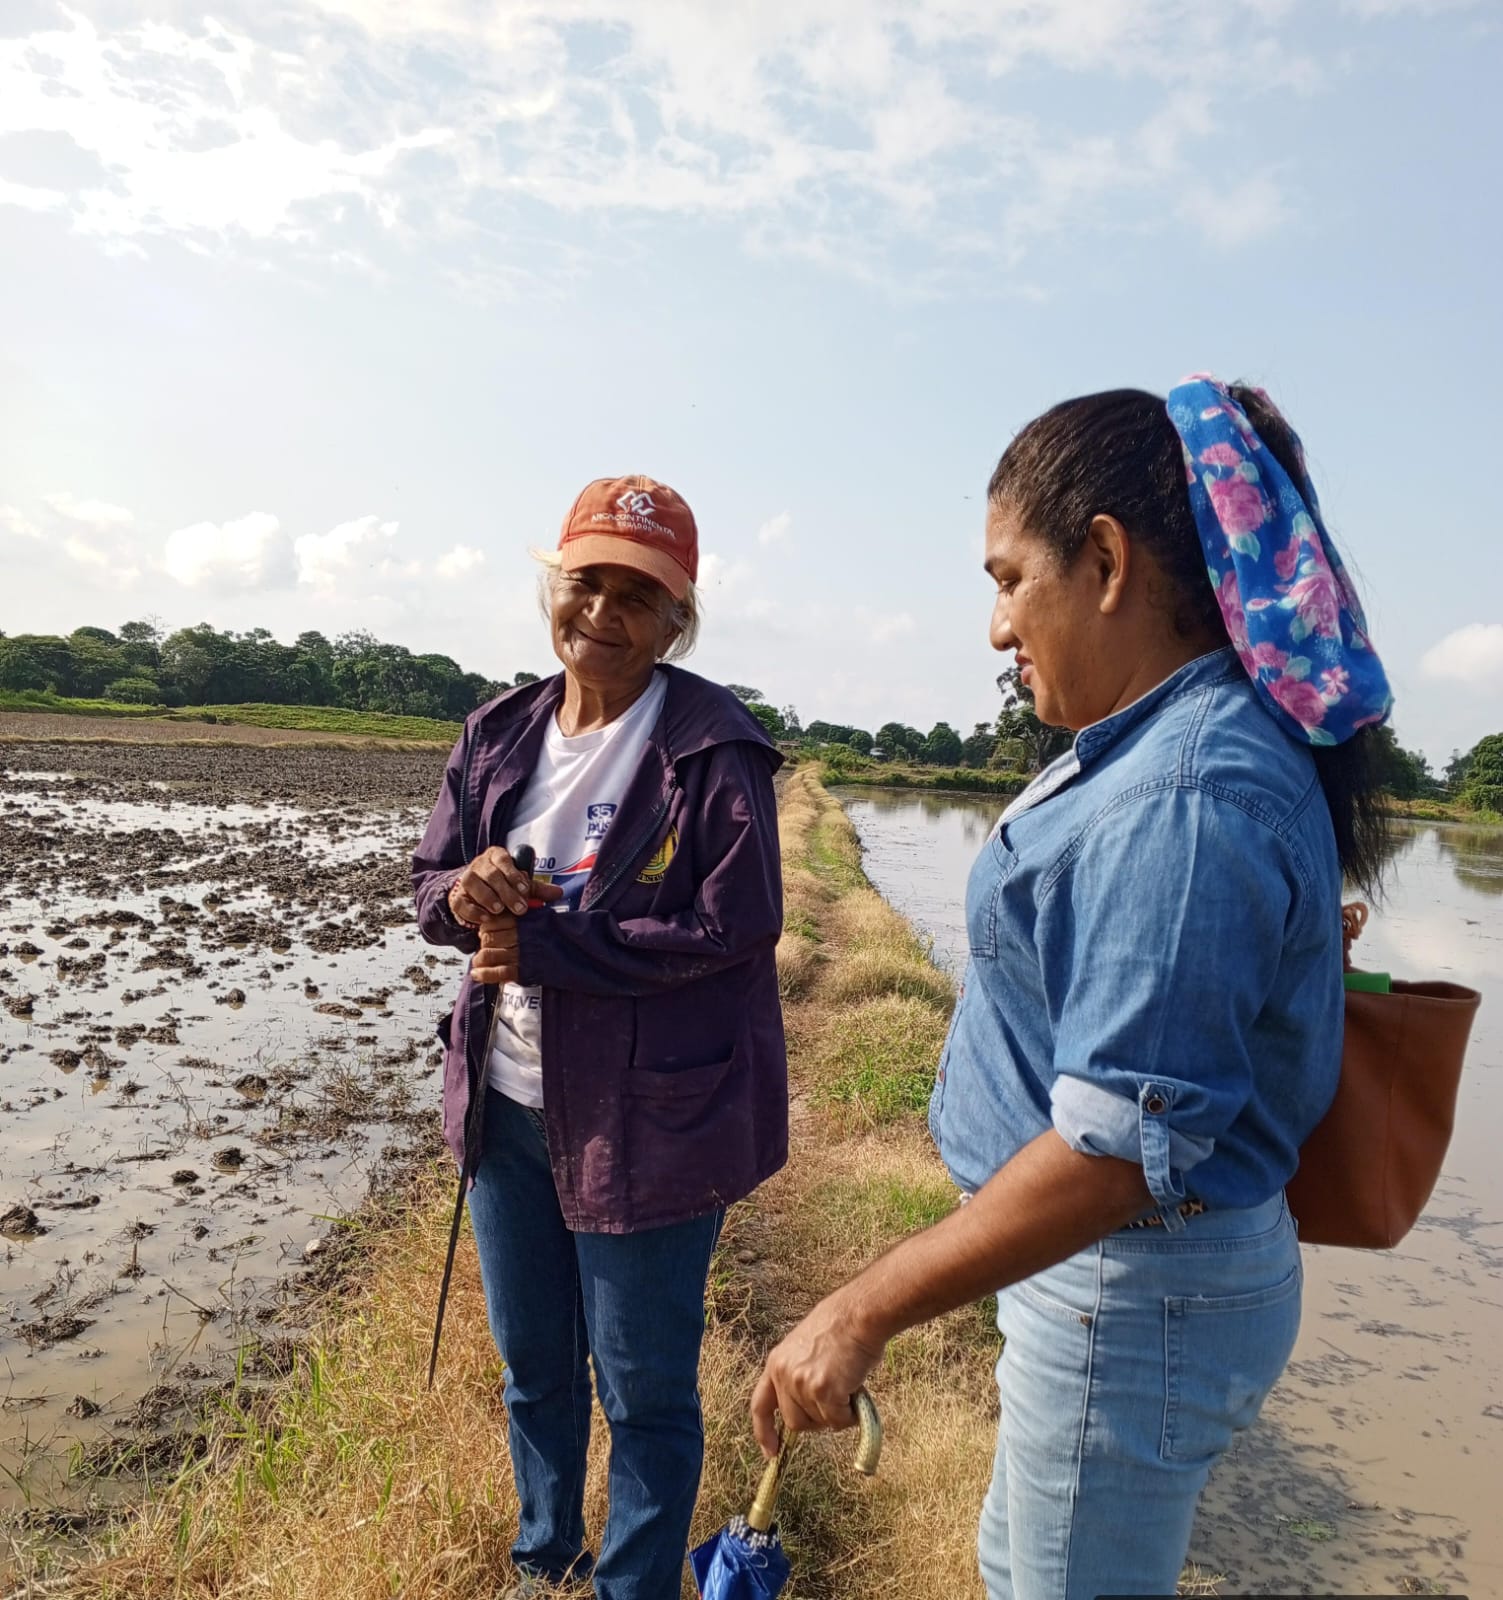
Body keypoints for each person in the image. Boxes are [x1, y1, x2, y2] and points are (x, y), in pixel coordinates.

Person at [750, 379, 1393, 1599]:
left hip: (1132, 1285)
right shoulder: (1164, 744)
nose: (998, 626)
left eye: (1008, 579)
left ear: (1105, 560)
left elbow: (1112, 1157)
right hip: (1124, 1284)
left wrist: (858, 1309)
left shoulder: (1184, 793)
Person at [414, 475, 788, 1600]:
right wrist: (469, 892)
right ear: (553, 588)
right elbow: (430, 889)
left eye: (637, 596)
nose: (602, 614)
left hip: (649, 1118)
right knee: (534, 1365)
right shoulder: (497, 731)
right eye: (585, 583)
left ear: (677, 619)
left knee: (644, 1390)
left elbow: (733, 927)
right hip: (508, 1101)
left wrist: (551, 944)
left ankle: (633, 1588)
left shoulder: (711, 748)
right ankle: (545, 1557)